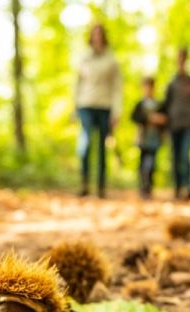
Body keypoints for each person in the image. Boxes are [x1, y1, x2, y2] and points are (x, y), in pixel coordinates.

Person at [75, 24, 122, 198]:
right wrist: (74, 107)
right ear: (91, 36)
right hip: (85, 104)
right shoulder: (84, 58)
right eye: (94, 34)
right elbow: (77, 84)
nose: (97, 37)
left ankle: (101, 187)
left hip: (105, 107)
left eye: (99, 34)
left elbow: (117, 87)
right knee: (85, 144)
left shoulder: (111, 60)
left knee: (102, 147)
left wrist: (117, 111)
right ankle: (84, 182)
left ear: (103, 36)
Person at [163, 48, 190, 200]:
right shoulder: (171, 83)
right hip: (173, 124)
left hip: (188, 123)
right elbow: (166, 105)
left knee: (185, 155)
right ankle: (177, 187)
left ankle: (187, 186)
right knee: (175, 156)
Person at [131, 77, 167, 199]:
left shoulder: (159, 104)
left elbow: (166, 120)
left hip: (154, 139)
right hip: (142, 138)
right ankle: (143, 186)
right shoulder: (140, 104)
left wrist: (160, 120)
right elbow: (134, 117)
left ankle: (149, 186)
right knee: (143, 163)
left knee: (151, 163)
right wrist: (148, 118)